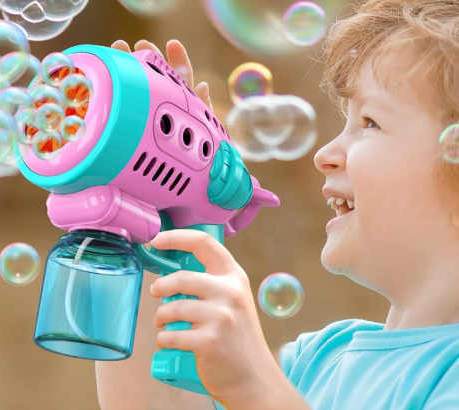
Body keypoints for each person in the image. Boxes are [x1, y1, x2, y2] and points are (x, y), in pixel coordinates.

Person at [96, 1, 459, 409]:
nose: (326, 153)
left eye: (370, 122)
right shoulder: (318, 358)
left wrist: (254, 386)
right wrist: (160, 200)